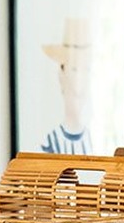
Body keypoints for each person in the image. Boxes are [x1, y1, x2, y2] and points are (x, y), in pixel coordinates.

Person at [40, 17, 93, 154]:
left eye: (85, 70)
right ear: (61, 75)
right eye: (74, 69)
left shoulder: (89, 138)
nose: (79, 81)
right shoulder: (51, 141)